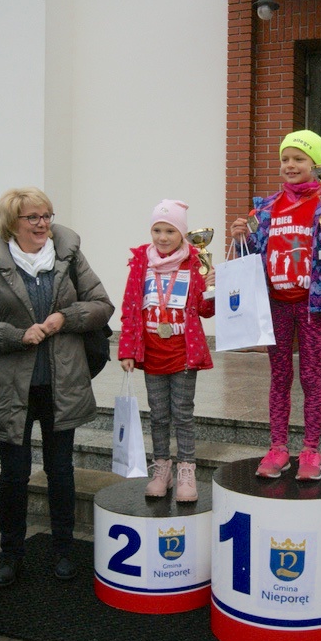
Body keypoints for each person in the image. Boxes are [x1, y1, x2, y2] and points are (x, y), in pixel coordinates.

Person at [0, 187, 114, 587]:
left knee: (60, 471)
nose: (43, 224)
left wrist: (65, 318)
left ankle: (63, 551)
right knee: (14, 474)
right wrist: (15, 336)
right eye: (33, 217)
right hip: (12, 388)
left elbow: (102, 304)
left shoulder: (68, 254)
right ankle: (11, 554)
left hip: (62, 384)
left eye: (47, 215)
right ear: (12, 223)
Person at [230, 129, 321, 481]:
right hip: (276, 306)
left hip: (312, 305)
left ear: (316, 165)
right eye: (285, 159)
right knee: (279, 377)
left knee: (311, 377)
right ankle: (278, 448)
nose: (290, 165)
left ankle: (311, 449)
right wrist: (241, 236)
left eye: (299, 158)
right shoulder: (266, 207)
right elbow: (252, 255)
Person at [118, 200, 215, 502]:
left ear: (182, 233)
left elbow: (205, 310)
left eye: (170, 231)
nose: (162, 237)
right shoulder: (141, 263)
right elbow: (130, 308)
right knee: (158, 415)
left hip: (183, 352)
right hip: (153, 354)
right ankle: (162, 469)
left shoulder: (195, 263)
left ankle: (187, 469)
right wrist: (127, 350)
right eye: (157, 230)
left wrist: (212, 288)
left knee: (182, 414)